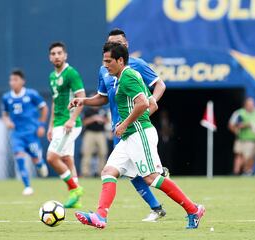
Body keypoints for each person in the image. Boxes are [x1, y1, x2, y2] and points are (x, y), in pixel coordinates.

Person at [72, 42, 205, 229]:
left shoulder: (128, 76)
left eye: (108, 61)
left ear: (120, 60)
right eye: (104, 61)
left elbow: (143, 103)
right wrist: (84, 101)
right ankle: (100, 216)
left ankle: (193, 210)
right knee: (109, 171)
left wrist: (124, 124)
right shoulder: (120, 77)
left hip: (139, 133)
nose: (105, 65)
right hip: (129, 136)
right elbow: (150, 102)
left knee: (151, 178)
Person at [70, 28, 168, 222]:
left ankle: (178, 201)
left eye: (118, 43)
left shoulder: (137, 65)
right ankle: (156, 207)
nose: (115, 46)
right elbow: (103, 98)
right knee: (127, 173)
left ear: (126, 45)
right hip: (118, 129)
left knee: (143, 175)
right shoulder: (105, 69)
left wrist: (151, 105)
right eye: (111, 43)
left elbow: (160, 85)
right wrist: (84, 101)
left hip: (135, 126)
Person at [47, 42, 85, 208]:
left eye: (59, 53)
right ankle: (76, 199)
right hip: (58, 123)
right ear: (50, 57)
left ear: (65, 55)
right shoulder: (52, 76)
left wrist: (71, 119)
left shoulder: (71, 73)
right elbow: (55, 102)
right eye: (53, 53)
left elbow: (81, 97)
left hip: (70, 124)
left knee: (52, 157)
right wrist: (50, 125)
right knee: (67, 159)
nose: (56, 56)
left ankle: (75, 189)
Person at [1, 70, 49, 196]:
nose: (13, 82)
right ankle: (27, 186)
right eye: (11, 80)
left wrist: (41, 125)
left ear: (22, 81)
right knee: (19, 157)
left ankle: (40, 163)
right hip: (17, 135)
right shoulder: (7, 97)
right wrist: (7, 122)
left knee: (35, 158)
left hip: (31, 134)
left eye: (15, 79)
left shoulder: (31, 94)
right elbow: (5, 114)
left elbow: (44, 108)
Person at [229, 97, 255, 175]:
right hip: (242, 138)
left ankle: (247, 171)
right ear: (245, 105)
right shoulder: (239, 113)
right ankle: (236, 172)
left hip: (254, 138)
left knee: (252, 156)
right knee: (241, 156)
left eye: (252, 104)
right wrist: (237, 130)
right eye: (249, 104)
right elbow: (231, 125)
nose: (251, 106)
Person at [81, 103, 108, 177]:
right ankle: (85, 173)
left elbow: (107, 121)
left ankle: (101, 173)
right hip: (90, 133)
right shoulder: (88, 111)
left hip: (100, 133)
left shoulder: (102, 110)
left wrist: (102, 119)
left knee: (103, 152)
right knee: (86, 153)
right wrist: (93, 118)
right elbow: (84, 122)